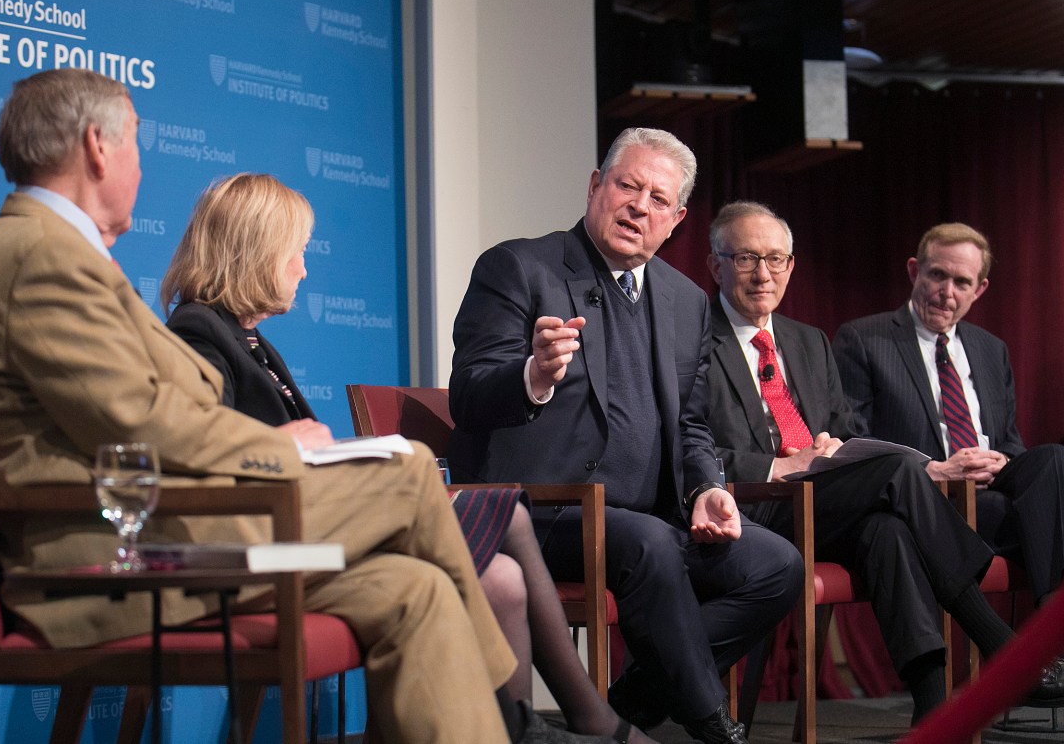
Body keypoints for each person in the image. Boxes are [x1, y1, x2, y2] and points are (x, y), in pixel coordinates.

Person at [0, 67, 598, 744]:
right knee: (405, 473)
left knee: (415, 590)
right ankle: (512, 719)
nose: (142, 165)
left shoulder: (59, 256)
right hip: (117, 562)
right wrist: (284, 448)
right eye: (137, 143)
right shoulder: (38, 259)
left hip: (165, 538)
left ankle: (503, 722)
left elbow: (150, 410)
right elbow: (144, 425)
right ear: (97, 147)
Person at [160, 172, 645, 744]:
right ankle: (544, 722)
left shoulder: (247, 340)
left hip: (308, 521)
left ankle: (520, 724)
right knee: (504, 513)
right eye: (296, 252)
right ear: (255, 253)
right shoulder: (199, 338)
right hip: (273, 537)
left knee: (506, 576)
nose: (303, 269)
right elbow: (214, 462)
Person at [448, 127, 805, 744]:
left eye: (658, 198)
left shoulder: (686, 300)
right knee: (650, 546)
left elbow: (690, 424)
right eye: (628, 186)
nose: (640, 205)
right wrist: (532, 375)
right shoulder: (519, 267)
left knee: (777, 566)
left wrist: (704, 489)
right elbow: (469, 395)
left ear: (676, 219)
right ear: (596, 187)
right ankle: (713, 726)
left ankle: (626, 708)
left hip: (654, 517)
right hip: (544, 515)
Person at [701, 200, 1064, 722]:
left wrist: (832, 447)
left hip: (826, 501)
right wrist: (777, 465)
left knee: (887, 532)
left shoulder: (808, 341)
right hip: (754, 506)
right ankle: (1001, 644)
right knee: (901, 473)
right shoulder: (692, 340)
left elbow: (848, 432)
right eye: (746, 259)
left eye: (776, 259)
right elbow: (686, 443)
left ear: (791, 266)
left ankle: (933, 710)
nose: (763, 274)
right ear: (716, 265)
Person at [833, 222, 1064, 685]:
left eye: (961, 283)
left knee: (1053, 459)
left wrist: (1001, 459)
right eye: (938, 275)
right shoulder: (864, 339)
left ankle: (1050, 631)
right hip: (923, 507)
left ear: (979, 289)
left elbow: (1010, 441)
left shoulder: (990, 349)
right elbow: (852, 441)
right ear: (914, 270)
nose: (947, 292)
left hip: (992, 500)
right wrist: (933, 468)